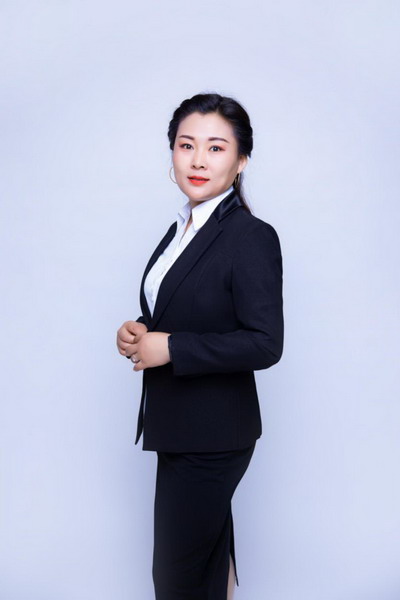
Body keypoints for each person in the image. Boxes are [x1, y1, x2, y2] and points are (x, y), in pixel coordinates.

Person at [116, 92, 284, 600]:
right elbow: (182, 310)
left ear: (241, 160)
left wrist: (172, 348)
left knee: (177, 578)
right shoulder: (182, 229)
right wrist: (140, 330)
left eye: (215, 147)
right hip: (178, 425)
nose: (197, 160)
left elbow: (265, 343)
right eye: (186, 145)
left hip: (214, 433)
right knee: (205, 563)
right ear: (172, 152)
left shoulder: (249, 236)